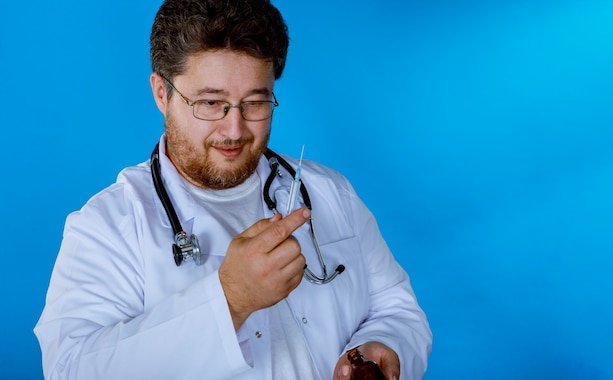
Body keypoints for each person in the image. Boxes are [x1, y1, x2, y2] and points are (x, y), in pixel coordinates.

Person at [34, 0, 432, 379]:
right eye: (210, 103)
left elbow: (396, 307)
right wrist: (228, 300)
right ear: (161, 93)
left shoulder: (329, 193)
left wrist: (383, 345)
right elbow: (69, 369)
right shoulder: (107, 225)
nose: (235, 129)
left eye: (255, 102)